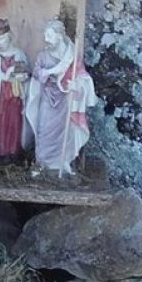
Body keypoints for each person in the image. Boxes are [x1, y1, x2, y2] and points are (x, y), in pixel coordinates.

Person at [28, 20, 96, 175]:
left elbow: (83, 78)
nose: (46, 39)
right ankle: (42, 162)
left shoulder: (71, 57)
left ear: (59, 36)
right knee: (44, 129)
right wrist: (49, 72)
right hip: (47, 97)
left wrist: (76, 85)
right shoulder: (43, 56)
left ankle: (59, 163)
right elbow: (37, 73)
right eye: (45, 35)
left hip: (64, 99)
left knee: (64, 131)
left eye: (49, 35)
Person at [0, 17, 31, 160]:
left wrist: (21, 76)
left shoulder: (19, 53)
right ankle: (0, 152)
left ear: (8, 36)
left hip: (14, 95)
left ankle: (14, 152)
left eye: (1, 39)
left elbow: (26, 73)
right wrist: (1, 76)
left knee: (13, 123)